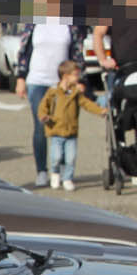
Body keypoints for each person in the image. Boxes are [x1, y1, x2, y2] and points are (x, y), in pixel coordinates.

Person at [37, 57, 101, 190]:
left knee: (70, 158)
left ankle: (67, 178)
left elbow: (86, 104)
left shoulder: (76, 93)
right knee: (56, 157)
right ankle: (55, 172)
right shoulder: (53, 91)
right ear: (65, 76)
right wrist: (43, 115)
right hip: (56, 130)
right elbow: (44, 105)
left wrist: (100, 111)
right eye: (75, 75)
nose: (78, 78)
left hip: (71, 131)